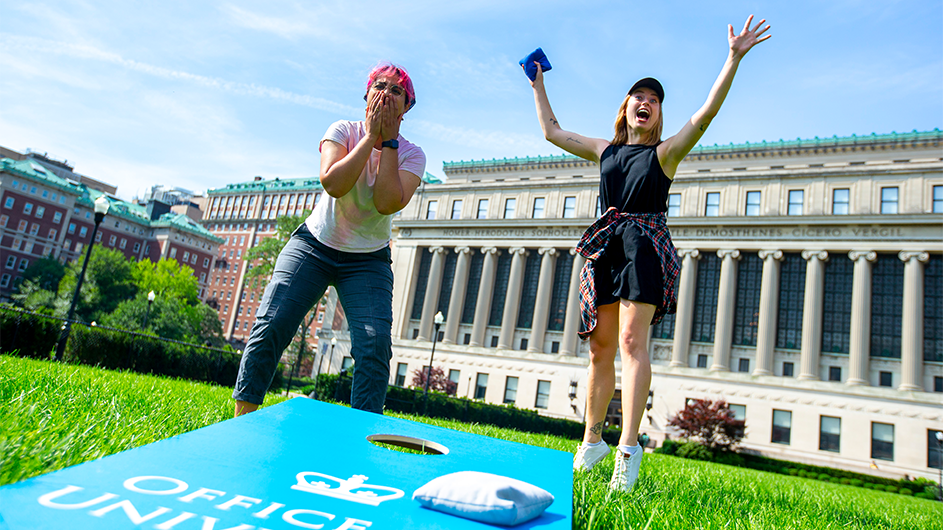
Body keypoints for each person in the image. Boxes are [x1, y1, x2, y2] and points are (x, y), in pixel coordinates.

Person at [525, 16, 770, 491]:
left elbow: (705, 114)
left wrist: (733, 58)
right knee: (599, 349)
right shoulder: (605, 151)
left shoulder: (666, 154)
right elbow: (552, 132)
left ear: (658, 114)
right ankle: (592, 440)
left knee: (633, 344)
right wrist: (538, 84)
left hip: (644, 249)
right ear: (626, 106)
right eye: (640, 96)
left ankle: (629, 448)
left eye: (655, 100)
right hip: (606, 248)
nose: (647, 102)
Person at [233, 62, 426, 416]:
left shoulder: (412, 155)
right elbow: (334, 184)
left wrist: (389, 143)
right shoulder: (342, 130)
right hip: (314, 245)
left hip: (367, 260)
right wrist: (370, 137)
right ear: (366, 95)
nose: (386, 93)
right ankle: (242, 418)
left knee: (374, 344)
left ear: (407, 106)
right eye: (379, 86)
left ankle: (360, 438)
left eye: (396, 90)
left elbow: (386, 203)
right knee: (273, 321)